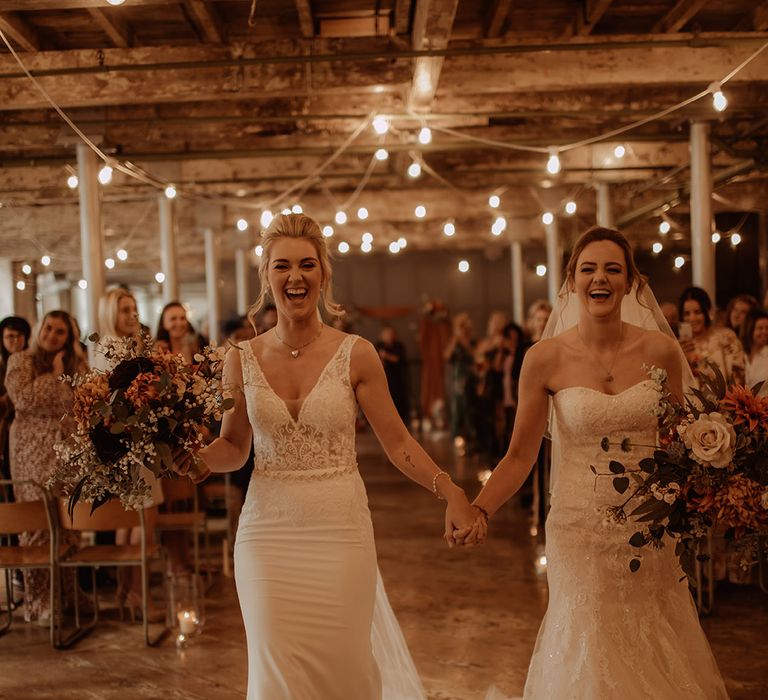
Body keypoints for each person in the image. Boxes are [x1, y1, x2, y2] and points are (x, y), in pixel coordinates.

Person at [173, 213, 482, 699]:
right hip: (266, 533)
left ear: (323, 275)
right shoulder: (240, 358)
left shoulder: (356, 354)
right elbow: (234, 447)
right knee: (275, 668)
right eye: (282, 266)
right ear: (266, 277)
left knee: (344, 667)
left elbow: (399, 443)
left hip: (339, 529)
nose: (294, 276)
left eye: (306, 265)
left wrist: (453, 491)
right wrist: (197, 459)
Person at [461, 227, 727, 698]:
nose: (599, 278)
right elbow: (521, 454)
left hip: (650, 528)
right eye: (588, 269)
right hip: (577, 528)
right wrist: (479, 508)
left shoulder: (661, 351)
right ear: (572, 281)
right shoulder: (544, 358)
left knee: (650, 640)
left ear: (629, 283)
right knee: (588, 640)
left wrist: (720, 478)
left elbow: (684, 444)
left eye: (612, 269)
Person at [5, 311, 88, 624]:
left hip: (66, 446)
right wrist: (53, 374)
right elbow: (23, 399)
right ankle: (41, 601)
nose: (52, 335)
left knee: (67, 521)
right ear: (41, 328)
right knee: (37, 523)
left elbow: (79, 402)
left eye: (61, 332)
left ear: (68, 337)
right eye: (49, 328)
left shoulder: (75, 364)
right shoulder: (21, 361)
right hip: (30, 447)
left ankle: (68, 593)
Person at [97, 287, 164, 620]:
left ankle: (126, 590)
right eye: (125, 310)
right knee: (144, 518)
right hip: (134, 442)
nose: (132, 315)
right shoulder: (117, 350)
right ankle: (138, 595)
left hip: (125, 444)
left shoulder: (108, 347)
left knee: (129, 518)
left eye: (135, 308)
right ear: (111, 313)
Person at [678, 286, 746, 386]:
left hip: (725, 399)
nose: (692, 318)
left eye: (697, 312)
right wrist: (683, 358)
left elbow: (738, 374)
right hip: (691, 400)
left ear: (707, 311)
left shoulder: (726, 337)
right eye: (687, 314)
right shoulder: (680, 345)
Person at [0, 315, 31, 482]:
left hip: (28, 431)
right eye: (9, 336)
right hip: (5, 431)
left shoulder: (35, 365)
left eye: (19, 335)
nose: (15, 340)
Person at [443, 312, 477, 452]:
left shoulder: (472, 341)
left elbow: (475, 356)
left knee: (470, 408)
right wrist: (454, 340)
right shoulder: (454, 342)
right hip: (457, 379)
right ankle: (457, 438)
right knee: (457, 408)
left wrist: (464, 341)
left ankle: (471, 439)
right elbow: (446, 356)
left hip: (470, 378)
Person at [375, 324, 410, 425]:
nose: (389, 336)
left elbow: (398, 359)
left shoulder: (399, 346)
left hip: (397, 379)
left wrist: (386, 356)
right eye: (386, 334)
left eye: (391, 334)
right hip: (382, 379)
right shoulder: (378, 346)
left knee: (397, 401)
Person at [742, 309, 768, 389]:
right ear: (750, 329)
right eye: (760, 328)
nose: (765, 332)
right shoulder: (741, 355)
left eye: (767, 328)